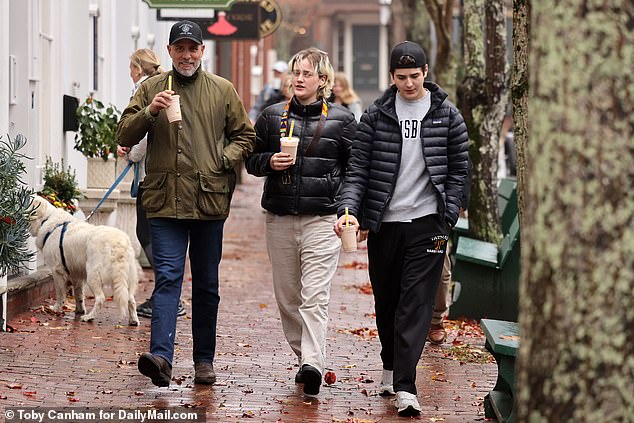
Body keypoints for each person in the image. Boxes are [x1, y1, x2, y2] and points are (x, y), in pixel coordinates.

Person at [116, 20, 255, 387]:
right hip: (164, 202)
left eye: (193, 48)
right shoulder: (149, 88)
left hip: (208, 202)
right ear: (170, 51)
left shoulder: (222, 90)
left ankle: (203, 360)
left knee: (207, 284)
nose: (187, 54)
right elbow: (124, 134)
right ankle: (161, 357)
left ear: (202, 51)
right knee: (168, 279)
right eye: (180, 48)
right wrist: (150, 112)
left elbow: (245, 136)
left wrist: (223, 160)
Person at [333, 41, 469, 416]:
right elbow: (358, 170)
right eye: (401, 77)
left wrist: (449, 213)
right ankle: (390, 365)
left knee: (416, 303)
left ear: (425, 73)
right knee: (388, 301)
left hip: (429, 222)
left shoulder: (447, 115)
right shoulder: (376, 116)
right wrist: (348, 209)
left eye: (414, 76)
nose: (409, 83)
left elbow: (460, 167)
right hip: (386, 224)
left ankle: (407, 387)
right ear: (391, 77)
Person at [245, 48, 356, 398]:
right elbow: (250, 160)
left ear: (323, 80)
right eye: (296, 72)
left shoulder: (342, 119)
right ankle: (305, 358)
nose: (298, 78)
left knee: (314, 296)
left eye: (307, 73)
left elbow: (354, 171)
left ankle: (312, 364)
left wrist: (348, 211)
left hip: (323, 219)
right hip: (279, 217)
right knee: (287, 298)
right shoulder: (271, 116)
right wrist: (269, 163)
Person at [116, 49, 186, 319]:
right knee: (152, 235)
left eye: (130, 66)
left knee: (148, 235)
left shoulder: (145, 88)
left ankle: (169, 296)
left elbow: (144, 135)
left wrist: (130, 152)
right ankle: (166, 295)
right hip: (154, 177)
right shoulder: (156, 85)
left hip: (150, 177)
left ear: (136, 67)